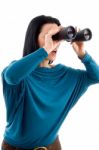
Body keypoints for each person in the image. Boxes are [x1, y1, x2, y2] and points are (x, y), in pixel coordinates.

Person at [1, 15, 99, 150]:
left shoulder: (65, 76)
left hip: (53, 146)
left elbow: (96, 76)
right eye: (50, 36)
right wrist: (44, 50)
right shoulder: (19, 73)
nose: (55, 43)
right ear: (34, 39)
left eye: (58, 37)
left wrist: (83, 54)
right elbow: (11, 76)